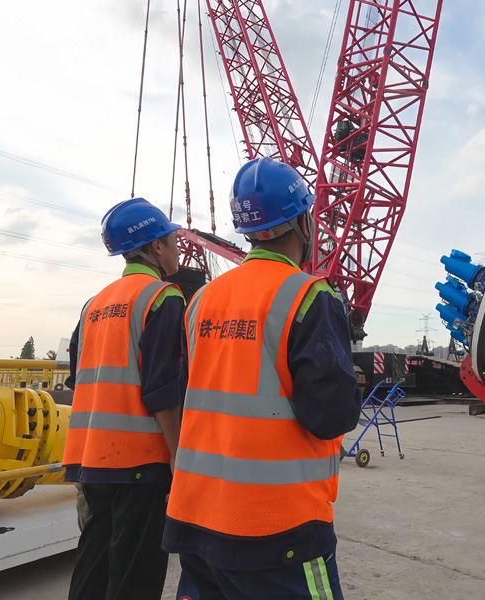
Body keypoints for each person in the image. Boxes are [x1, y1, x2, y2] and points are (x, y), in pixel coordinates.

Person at [164, 157, 362, 599]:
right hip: (278, 527)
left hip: (196, 517)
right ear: (302, 222)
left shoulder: (201, 301)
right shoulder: (308, 295)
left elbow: (190, 398)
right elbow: (329, 416)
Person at [62, 197, 186, 600]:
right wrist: (178, 457)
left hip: (92, 459)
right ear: (154, 248)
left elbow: (77, 378)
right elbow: (164, 392)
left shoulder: (93, 305)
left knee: (93, 565)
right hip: (141, 462)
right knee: (135, 576)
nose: (177, 247)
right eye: (171, 239)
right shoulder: (163, 299)